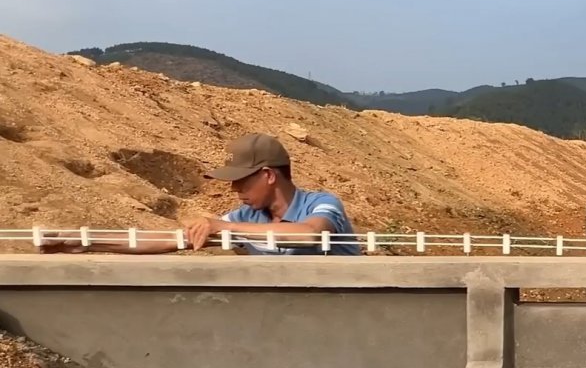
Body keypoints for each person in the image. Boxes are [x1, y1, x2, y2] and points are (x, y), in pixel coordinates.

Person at [38, 133, 361, 256]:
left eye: (242, 181)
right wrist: (88, 241)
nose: (235, 190)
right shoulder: (246, 217)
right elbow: (169, 239)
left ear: (268, 175)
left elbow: (309, 234)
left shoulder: (321, 204)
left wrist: (224, 227)